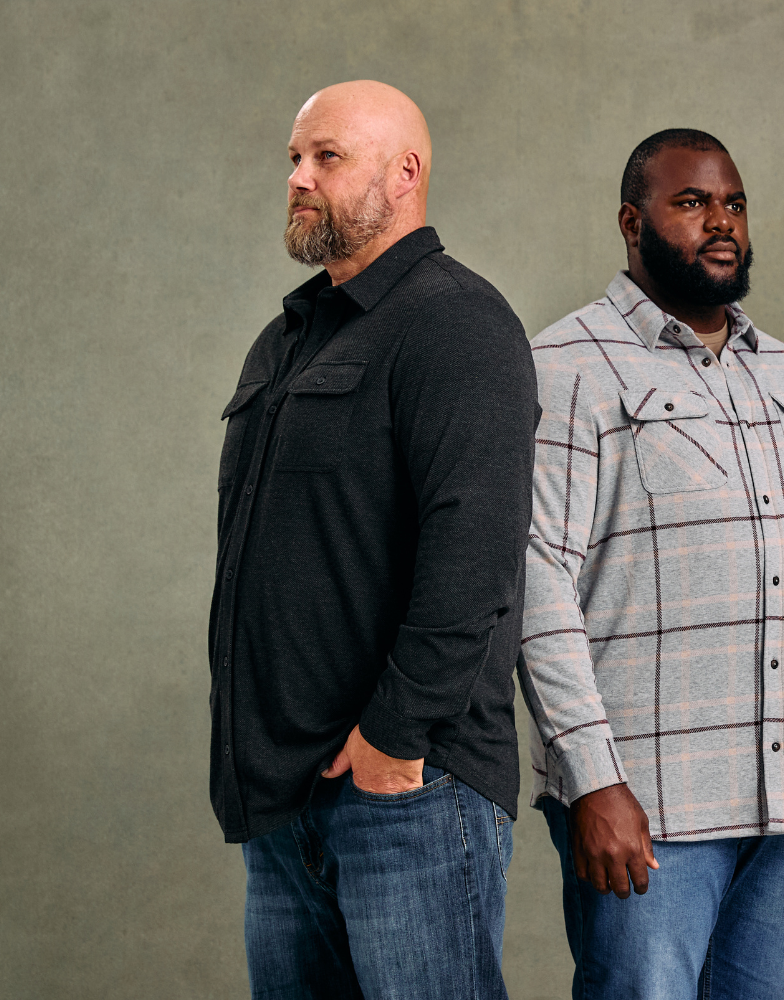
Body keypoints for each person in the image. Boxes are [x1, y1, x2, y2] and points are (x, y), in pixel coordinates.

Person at [516, 129, 784, 998]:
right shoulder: (566, 369)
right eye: (692, 202)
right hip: (649, 801)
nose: (721, 221)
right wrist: (592, 779)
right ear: (632, 222)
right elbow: (536, 584)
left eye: (733, 203)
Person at [208, 79, 539, 1000]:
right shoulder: (285, 341)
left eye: (327, 157)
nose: (298, 178)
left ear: (405, 174)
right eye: (294, 159)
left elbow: (475, 559)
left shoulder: (458, 323)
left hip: (407, 792)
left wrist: (394, 738)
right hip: (285, 802)